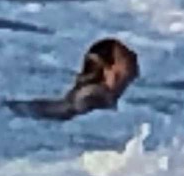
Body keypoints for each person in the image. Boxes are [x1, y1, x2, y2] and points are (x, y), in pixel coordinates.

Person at [10, 37, 140, 120]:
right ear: (109, 69)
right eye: (126, 55)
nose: (134, 56)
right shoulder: (94, 99)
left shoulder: (94, 95)